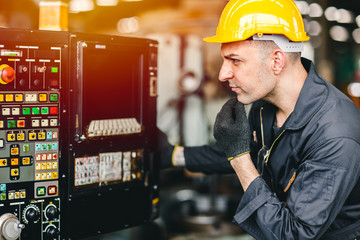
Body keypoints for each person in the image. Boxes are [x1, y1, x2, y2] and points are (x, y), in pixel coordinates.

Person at [157, 0, 360, 239]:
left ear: (276, 61)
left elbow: (295, 234)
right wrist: (172, 154)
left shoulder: (334, 133)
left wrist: (239, 158)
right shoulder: (265, 106)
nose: (223, 74)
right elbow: (246, 151)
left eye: (235, 60)